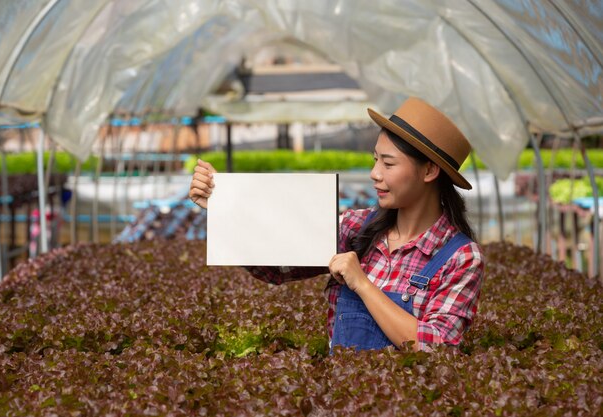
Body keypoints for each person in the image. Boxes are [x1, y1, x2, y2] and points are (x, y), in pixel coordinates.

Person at [189, 97, 484, 353]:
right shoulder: (356, 228)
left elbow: (437, 347)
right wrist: (223, 206)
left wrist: (363, 285)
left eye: (388, 164)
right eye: (374, 160)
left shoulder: (461, 257)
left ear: (430, 170)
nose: (374, 173)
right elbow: (277, 268)